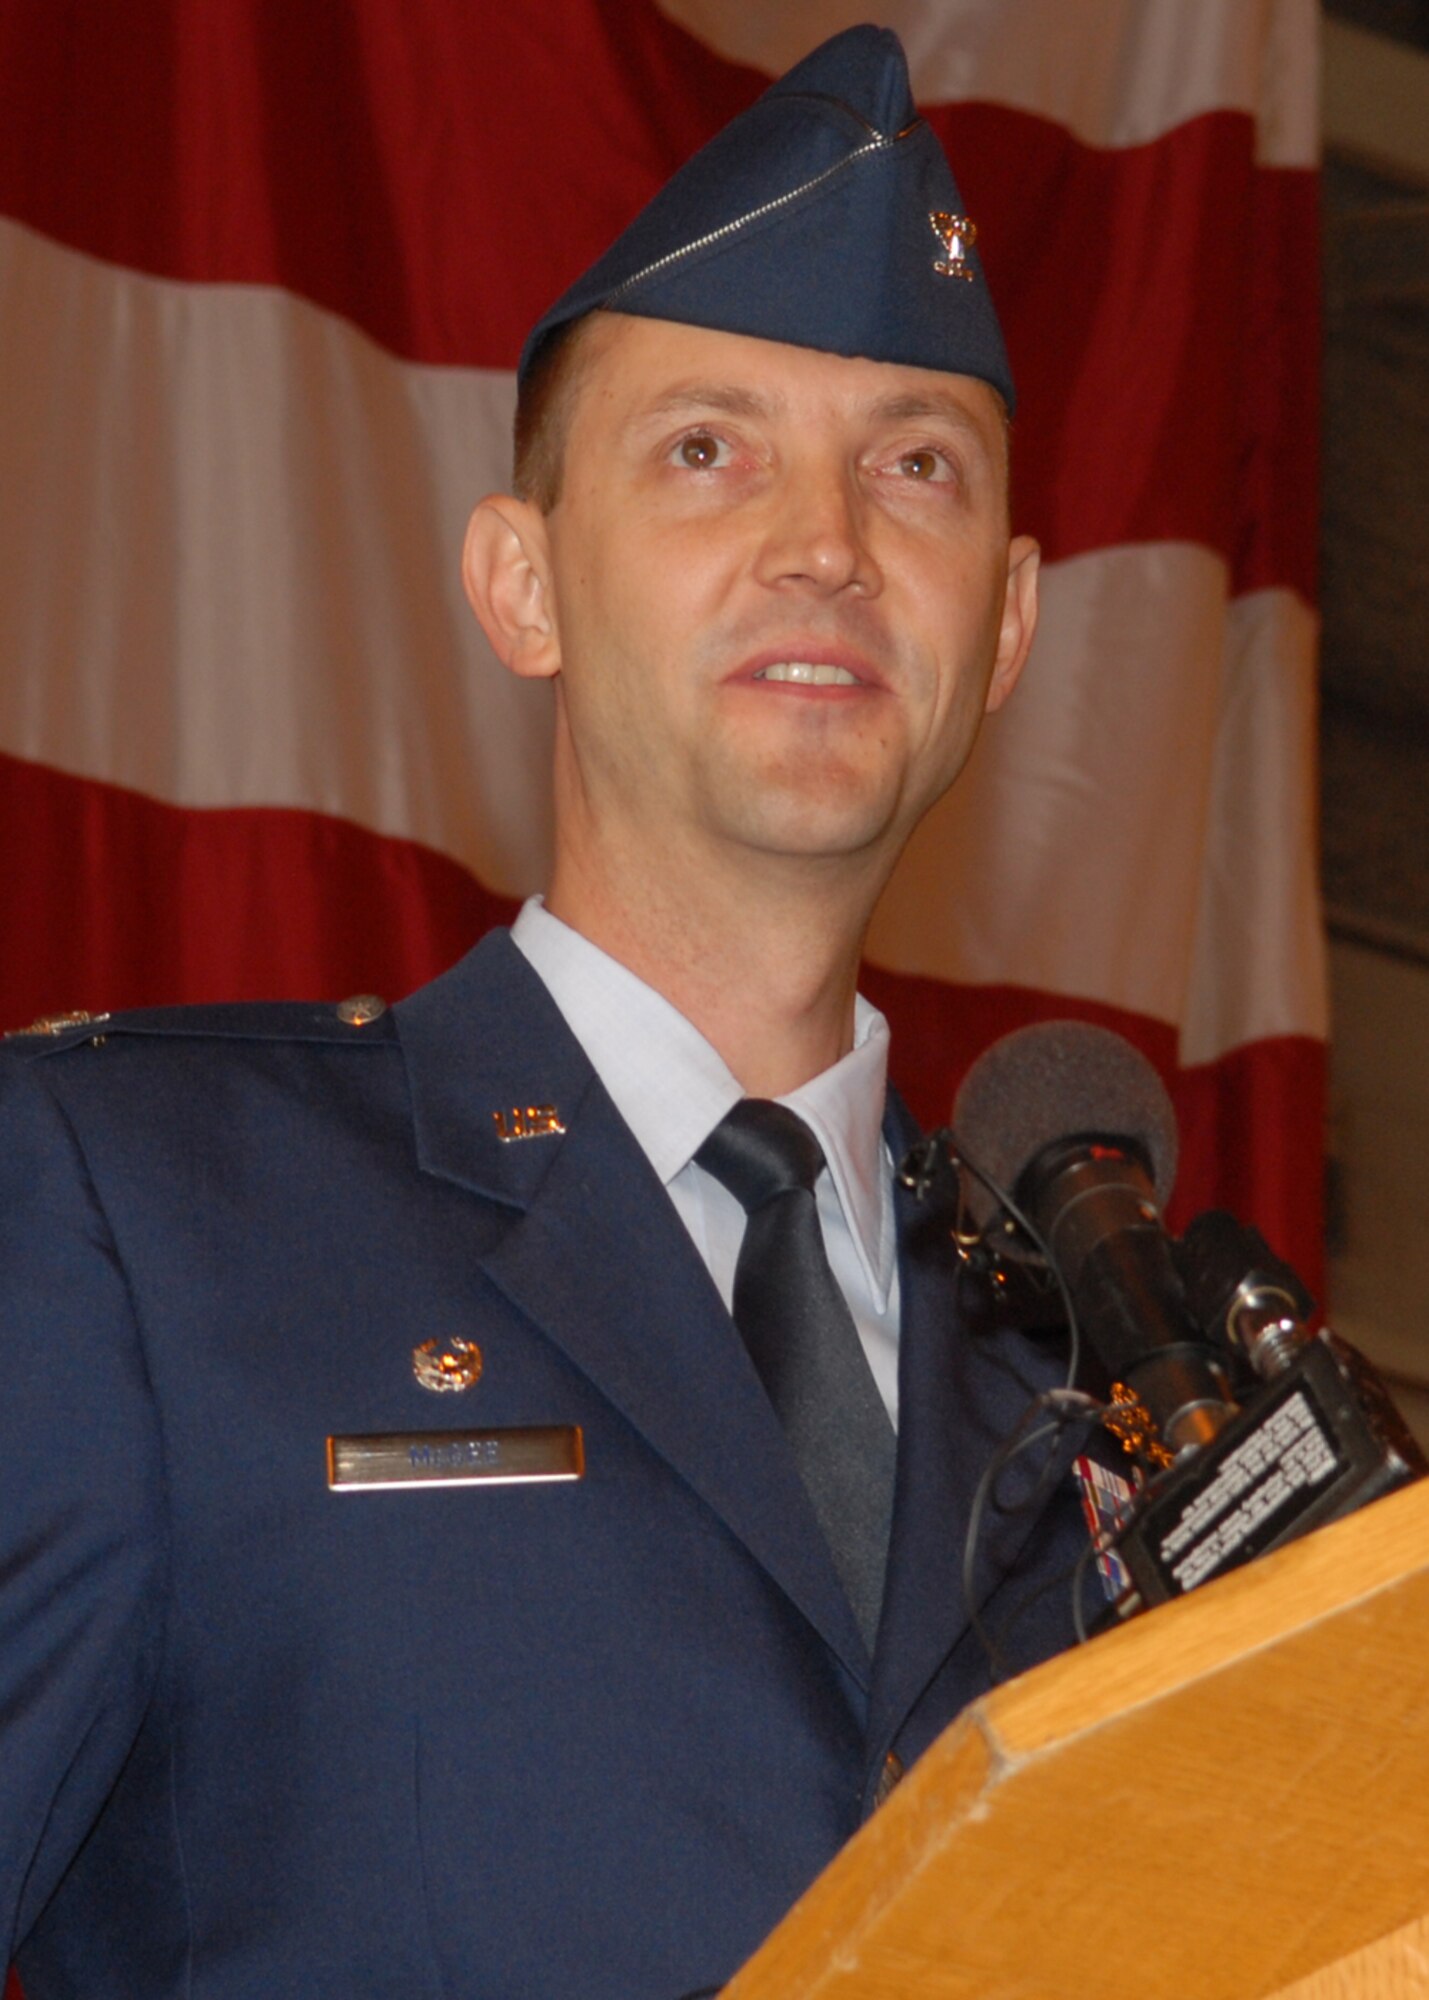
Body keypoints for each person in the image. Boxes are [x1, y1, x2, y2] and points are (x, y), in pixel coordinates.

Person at [0, 27, 1092, 1999]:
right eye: (706, 448)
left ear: (1003, 623)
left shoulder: (1089, 1395)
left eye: (912, 464)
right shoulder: (140, 1214)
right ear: (522, 588)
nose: (827, 544)